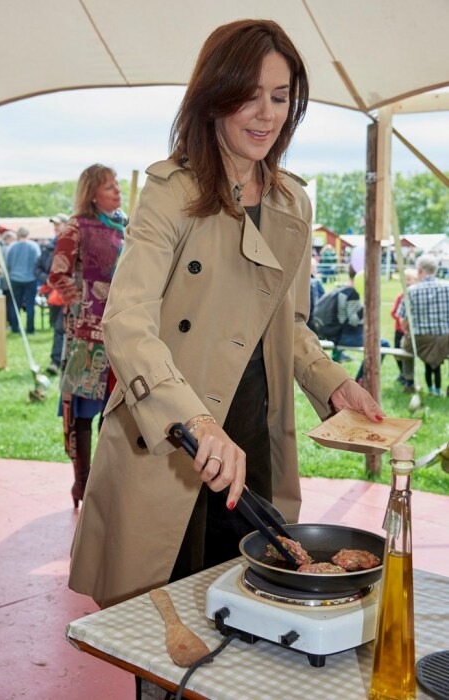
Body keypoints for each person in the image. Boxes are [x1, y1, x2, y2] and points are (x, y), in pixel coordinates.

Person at [68, 19, 383, 610]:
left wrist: (333, 382)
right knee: (162, 629)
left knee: (250, 611)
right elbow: (126, 321)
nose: (266, 114)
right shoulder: (170, 192)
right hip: (174, 432)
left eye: (281, 97)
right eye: (249, 94)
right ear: (213, 98)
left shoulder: (292, 201)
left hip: (253, 435)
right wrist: (195, 423)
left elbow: (285, 322)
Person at [48, 165, 126, 508]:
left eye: (118, 185)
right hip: (86, 337)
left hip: (119, 331)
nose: (118, 191)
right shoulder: (74, 227)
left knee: (112, 411)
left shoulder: (125, 228)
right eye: (110, 186)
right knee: (84, 410)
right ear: (92, 192)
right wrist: (82, 305)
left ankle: (104, 482)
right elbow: (57, 274)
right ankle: (81, 480)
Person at [397, 254, 449, 396]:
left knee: (404, 345)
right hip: (445, 341)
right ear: (435, 270)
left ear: (419, 271)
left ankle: (409, 381)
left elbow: (403, 320)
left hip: (419, 341)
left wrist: (407, 331)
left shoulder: (411, 291)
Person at [329, 265, 390, 381]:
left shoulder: (342, 288)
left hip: (336, 335)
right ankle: (361, 379)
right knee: (384, 344)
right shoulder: (352, 292)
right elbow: (353, 321)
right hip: (345, 336)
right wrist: (366, 308)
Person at [35, 214, 69, 375]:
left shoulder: (74, 244)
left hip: (69, 294)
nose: (56, 227)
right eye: (54, 225)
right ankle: (61, 360)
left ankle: (56, 362)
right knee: (57, 328)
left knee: (60, 329)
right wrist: (47, 279)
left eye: (58, 224)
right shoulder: (49, 247)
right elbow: (37, 269)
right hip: (54, 295)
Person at [5, 227, 41, 334]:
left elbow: (7, 263)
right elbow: (38, 262)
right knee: (30, 304)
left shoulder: (12, 246)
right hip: (30, 278)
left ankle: (15, 328)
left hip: (15, 278)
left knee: (15, 304)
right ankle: (30, 329)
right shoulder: (34, 246)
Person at [390, 267, 418, 385]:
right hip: (399, 329)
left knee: (408, 355)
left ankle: (406, 375)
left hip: (410, 332)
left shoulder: (416, 296)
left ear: (416, 281)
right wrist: (402, 320)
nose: (407, 282)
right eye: (405, 280)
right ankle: (401, 372)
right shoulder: (400, 296)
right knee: (397, 353)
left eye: (410, 279)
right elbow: (394, 312)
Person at [307, 256, 325, 330]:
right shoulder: (315, 282)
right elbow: (322, 299)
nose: (316, 270)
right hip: (313, 319)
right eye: (315, 267)